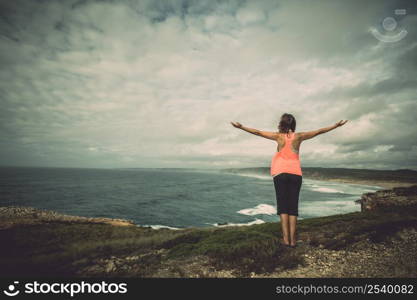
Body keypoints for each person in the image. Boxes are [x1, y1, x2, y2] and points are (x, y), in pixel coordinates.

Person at [230, 114, 348, 248]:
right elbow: (319, 131)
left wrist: (241, 127)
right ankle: (293, 241)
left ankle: (286, 240)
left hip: (280, 174)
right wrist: (335, 126)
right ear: (293, 124)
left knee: (283, 206)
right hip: (296, 174)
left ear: (282, 124)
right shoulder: (299, 136)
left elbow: (258, 132)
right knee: (293, 207)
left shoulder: (278, 136)